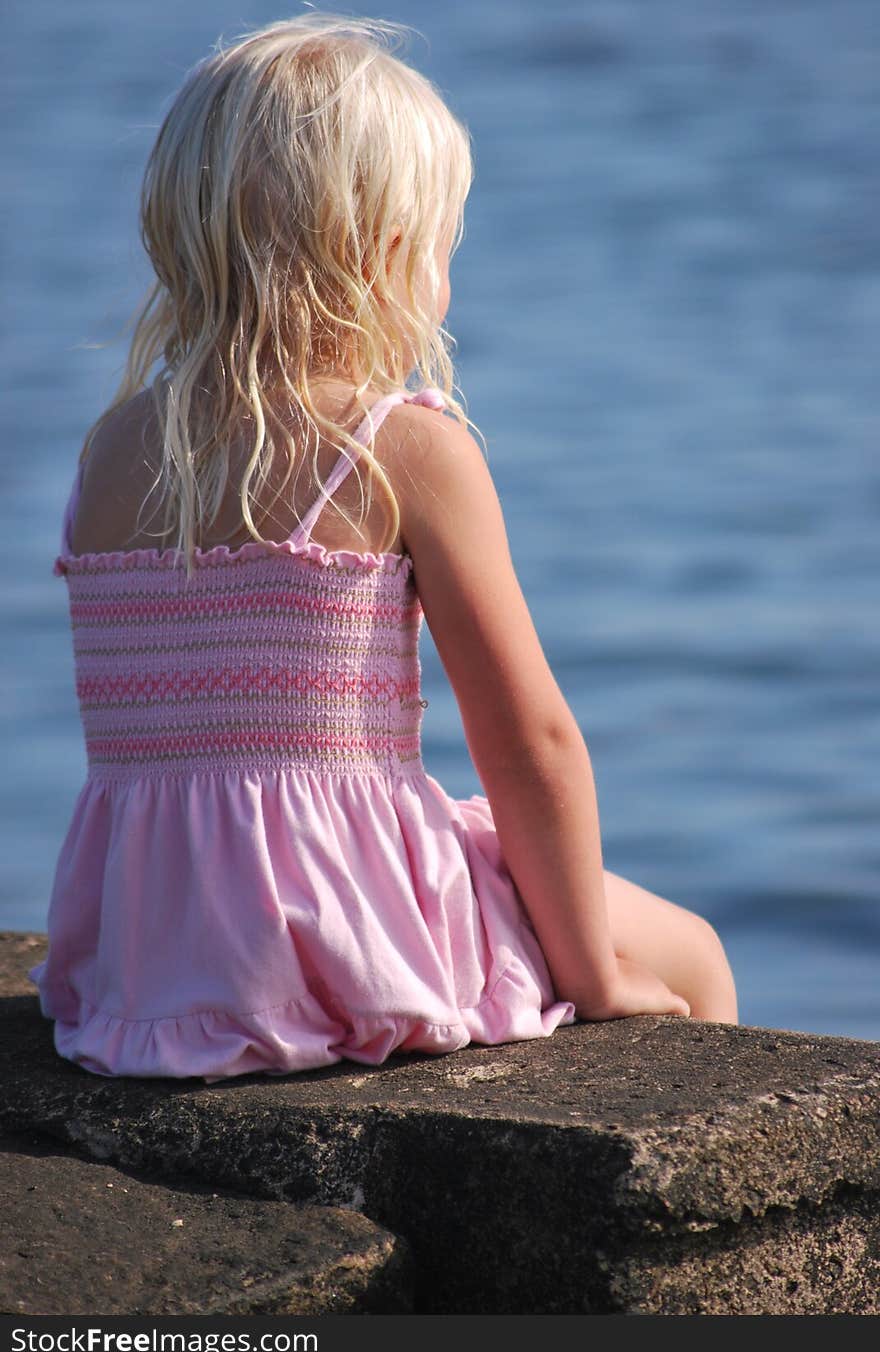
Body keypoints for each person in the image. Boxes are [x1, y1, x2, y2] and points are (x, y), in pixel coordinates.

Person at [30, 13, 737, 1084]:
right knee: (692, 950)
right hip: (348, 941)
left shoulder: (110, 450)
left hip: (153, 959)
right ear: (392, 253)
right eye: (442, 244)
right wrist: (594, 976)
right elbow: (529, 740)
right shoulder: (399, 444)